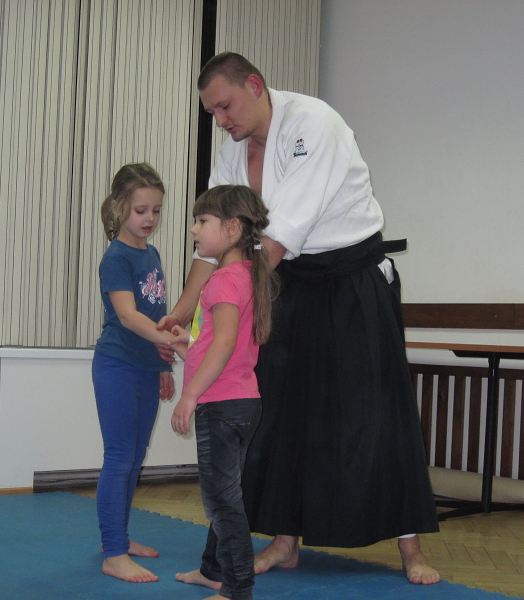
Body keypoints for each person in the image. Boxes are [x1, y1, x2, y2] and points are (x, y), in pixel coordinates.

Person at [159, 52, 441, 585]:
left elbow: (273, 242)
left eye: (225, 106)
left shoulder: (314, 125)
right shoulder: (233, 149)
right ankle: (284, 542)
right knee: (279, 412)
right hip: (286, 282)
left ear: (255, 85)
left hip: (350, 279)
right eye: (212, 112)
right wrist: (181, 311)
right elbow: (216, 243)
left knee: (377, 412)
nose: (221, 120)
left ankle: (412, 548)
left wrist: (226, 313)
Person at [169, 185, 277, 600]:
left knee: (221, 501)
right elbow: (219, 343)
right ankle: (212, 570)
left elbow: (226, 343)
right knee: (225, 491)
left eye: (202, 221)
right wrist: (186, 344)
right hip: (242, 401)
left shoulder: (222, 280)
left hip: (221, 405)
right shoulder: (245, 275)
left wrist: (189, 396)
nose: (194, 229)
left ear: (232, 228)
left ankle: (237, 588)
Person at [91, 162, 177, 583]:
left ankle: (119, 538)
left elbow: (155, 313)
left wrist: (162, 363)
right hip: (117, 366)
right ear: (120, 207)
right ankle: (113, 552)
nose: (150, 219)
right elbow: (128, 316)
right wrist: (175, 343)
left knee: (136, 458)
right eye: (141, 210)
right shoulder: (116, 257)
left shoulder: (152, 254)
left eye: (156, 210)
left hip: (145, 367)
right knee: (120, 457)